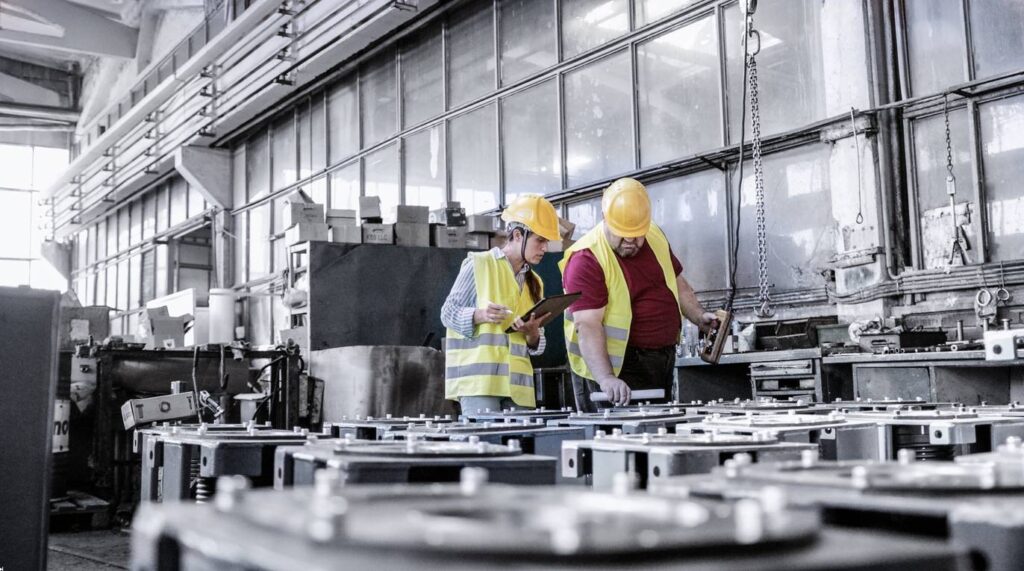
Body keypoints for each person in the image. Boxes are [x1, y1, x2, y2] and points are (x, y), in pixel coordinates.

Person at [560, 178, 718, 410]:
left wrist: (698, 315)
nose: (630, 241)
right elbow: (588, 325)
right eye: (622, 234)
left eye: (637, 234)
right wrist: (606, 378)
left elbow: (675, 280)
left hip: (658, 361)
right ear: (606, 219)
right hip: (614, 370)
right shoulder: (586, 258)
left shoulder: (653, 235)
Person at [441, 195, 561, 414]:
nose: (545, 248)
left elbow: (535, 345)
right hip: (481, 386)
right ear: (517, 235)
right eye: (540, 240)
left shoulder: (536, 283)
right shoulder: (478, 264)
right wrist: (480, 314)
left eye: (547, 242)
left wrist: (533, 333)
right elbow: (448, 313)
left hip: (519, 389)